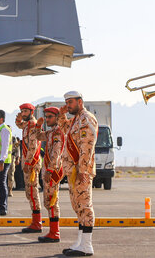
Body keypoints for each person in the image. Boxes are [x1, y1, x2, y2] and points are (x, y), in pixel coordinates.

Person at [58, 91, 98, 256]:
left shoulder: (86, 119)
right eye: (67, 102)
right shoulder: (75, 119)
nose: (68, 105)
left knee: (85, 206)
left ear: (80, 102)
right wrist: (61, 115)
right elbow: (64, 128)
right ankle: (80, 242)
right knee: (78, 207)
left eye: (71, 102)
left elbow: (87, 146)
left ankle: (87, 246)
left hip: (81, 171)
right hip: (74, 170)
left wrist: (82, 170)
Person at [31, 106, 65, 243]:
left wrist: (50, 170)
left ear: (57, 118)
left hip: (53, 171)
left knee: (52, 201)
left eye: (50, 117)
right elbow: (38, 136)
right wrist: (38, 126)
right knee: (48, 201)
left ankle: (54, 232)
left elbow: (56, 153)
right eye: (46, 117)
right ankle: (52, 231)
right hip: (48, 170)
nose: (47, 119)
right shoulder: (51, 132)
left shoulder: (58, 133)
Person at [15, 103, 43, 233]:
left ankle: (37, 223)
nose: (23, 113)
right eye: (22, 111)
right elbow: (19, 125)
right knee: (29, 192)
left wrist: (27, 163)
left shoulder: (32, 125)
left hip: (31, 163)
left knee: (33, 192)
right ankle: (35, 221)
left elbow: (33, 146)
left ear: (32, 112)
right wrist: (18, 119)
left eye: (26, 111)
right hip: (28, 162)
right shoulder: (27, 124)